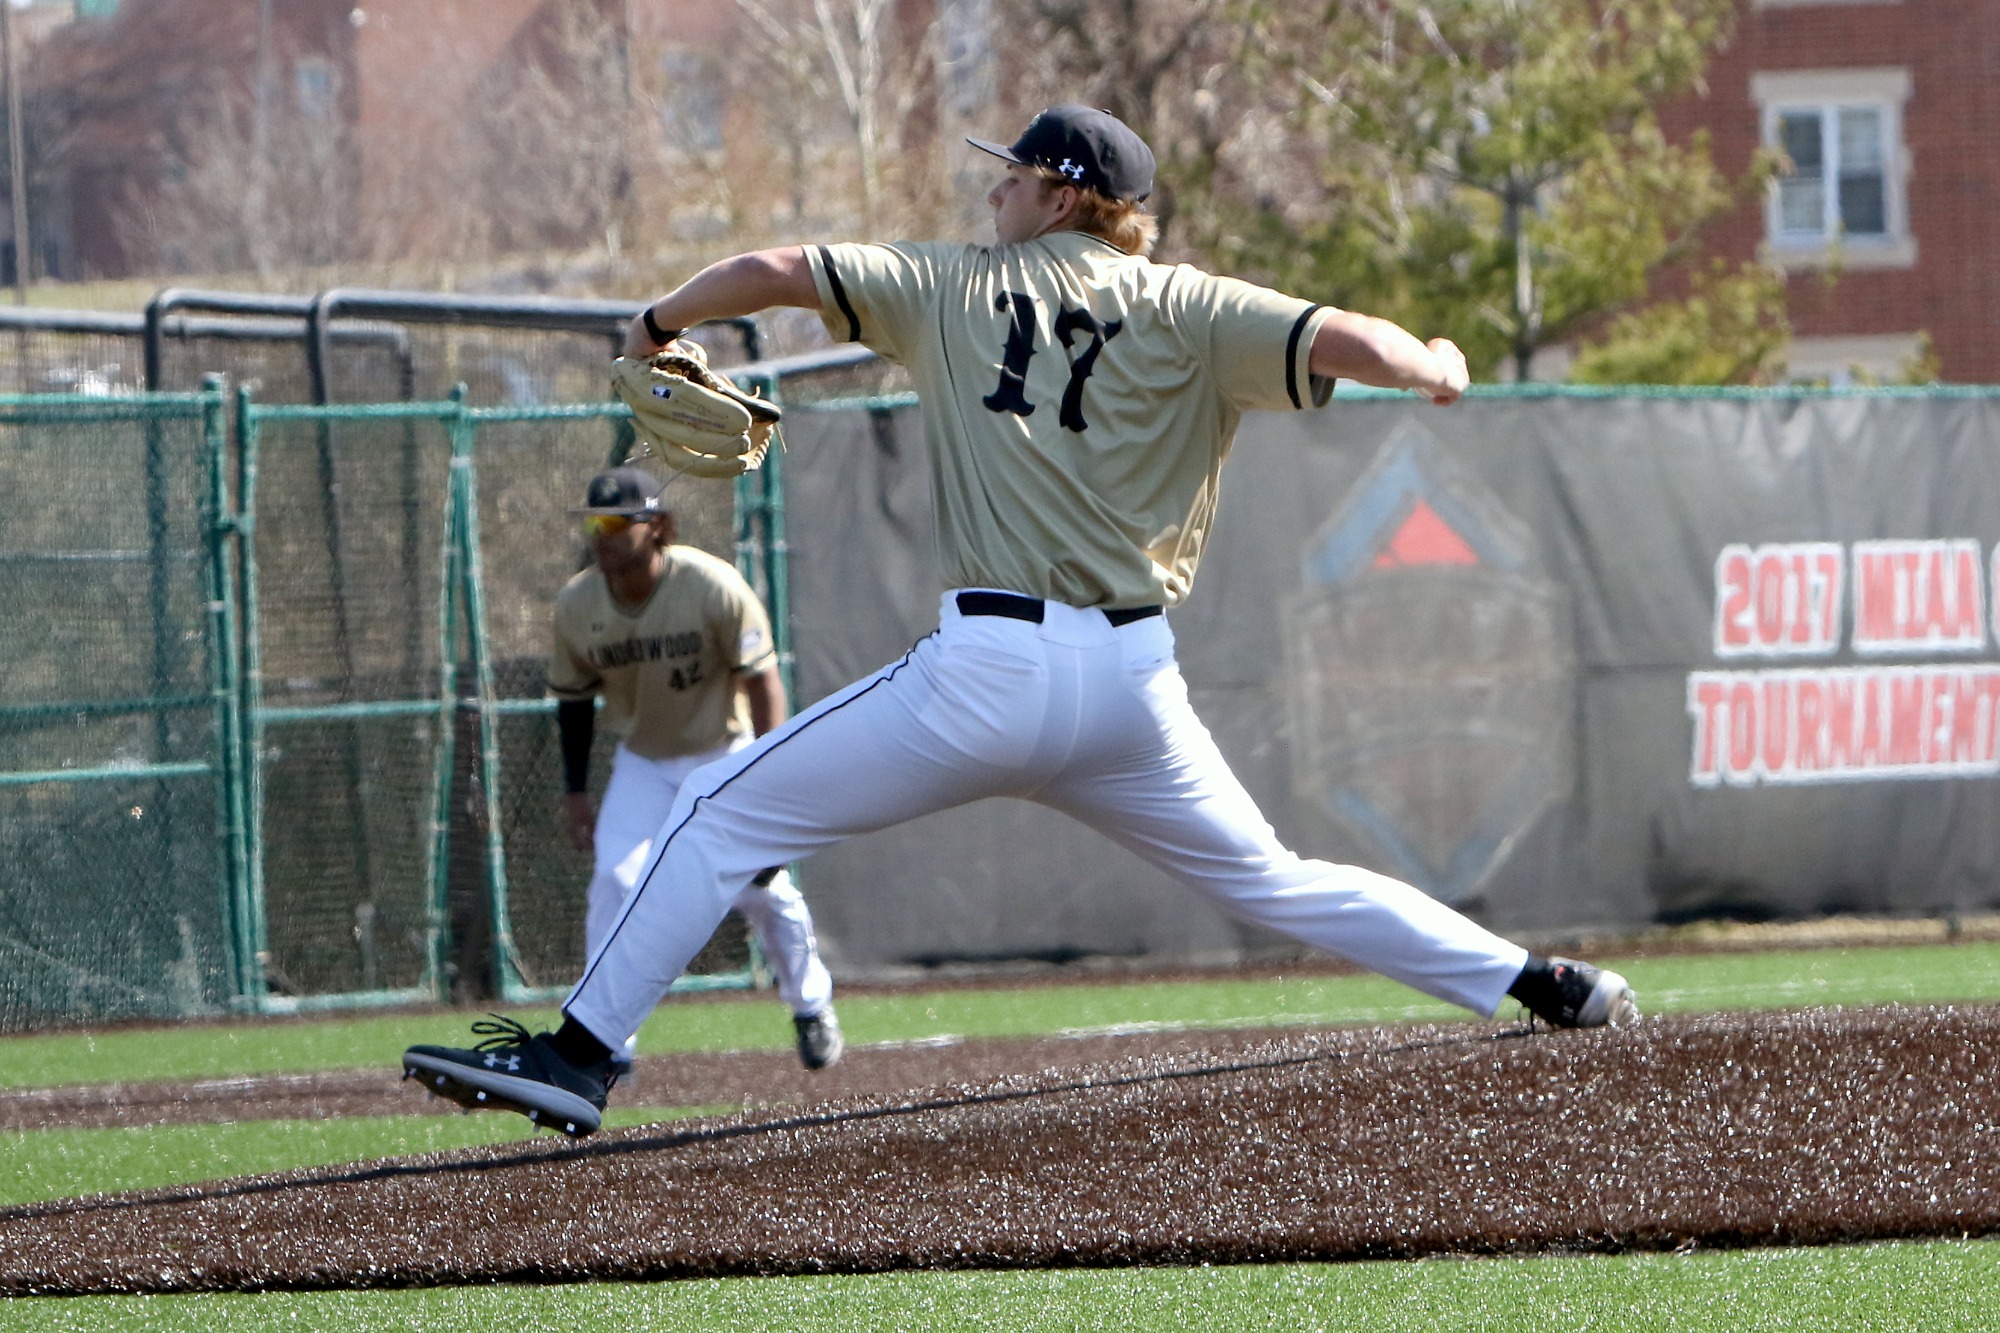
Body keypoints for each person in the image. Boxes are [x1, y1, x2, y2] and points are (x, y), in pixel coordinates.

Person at [404, 103, 1635, 1137]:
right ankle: (1539, 980)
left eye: (1011, 178)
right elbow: (1346, 340)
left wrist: (659, 324)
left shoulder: (949, 285)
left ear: (1061, 192)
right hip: (1131, 692)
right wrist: (1429, 359)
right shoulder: (1188, 303)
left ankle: (577, 1056)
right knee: (1277, 882)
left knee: (715, 812)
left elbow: (776, 272)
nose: (991, 193)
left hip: (984, 673)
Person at [549, 465, 842, 1076]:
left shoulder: (710, 585)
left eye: (614, 523)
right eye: (592, 523)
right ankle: (605, 1040)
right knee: (615, 883)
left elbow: (762, 683)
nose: (600, 535)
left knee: (763, 892)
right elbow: (573, 702)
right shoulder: (578, 604)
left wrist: (770, 778)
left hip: (724, 753)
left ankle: (811, 1006)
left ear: (659, 527)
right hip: (644, 763)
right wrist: (576, 791)